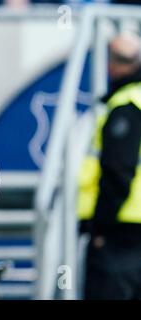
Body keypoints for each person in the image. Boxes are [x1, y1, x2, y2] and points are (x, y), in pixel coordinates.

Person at [77, 32, 141, 299]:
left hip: (120, 232)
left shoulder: (125, 105)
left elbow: (118, 172)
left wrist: (100, 227)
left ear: (111, 65)